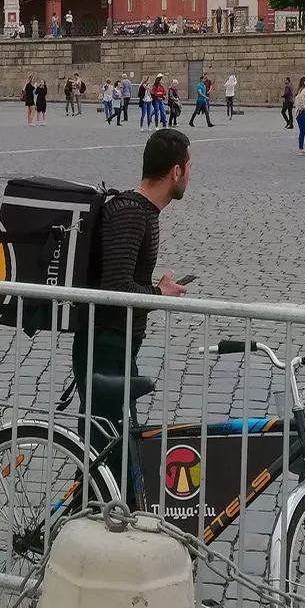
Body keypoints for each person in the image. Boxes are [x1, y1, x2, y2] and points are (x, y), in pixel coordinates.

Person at [71, 129, 191, 488]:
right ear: (175, 172)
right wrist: (158, 293)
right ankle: (74, 529)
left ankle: (91, 523)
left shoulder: (142, 212)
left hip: (116, 344)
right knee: (107, 458)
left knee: (109, 456)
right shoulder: (132, 214)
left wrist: (157, 290)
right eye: (189, 166)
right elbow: (116, 288)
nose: (189, 174)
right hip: (105, 344)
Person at [293, 76, 305, 153]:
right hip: (304, 112)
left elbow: (298, 98)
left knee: (302, 131)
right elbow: (301, 97)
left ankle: (301, 148)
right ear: (304, 82)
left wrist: (299, 107)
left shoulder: (299, 90)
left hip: (298, 113)